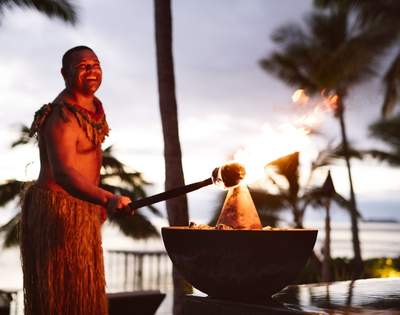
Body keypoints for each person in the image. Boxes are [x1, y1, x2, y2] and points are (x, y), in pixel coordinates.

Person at [20, 46, 132, 315]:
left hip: (83, 209)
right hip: (58, 213)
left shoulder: (92, 110)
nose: (91, 71)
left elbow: (88, 164)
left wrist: (96, 202)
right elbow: (64, 173)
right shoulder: (62, 116)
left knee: (85, 298)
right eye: (83, 67)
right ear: (64, 74)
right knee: (61, 299)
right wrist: (108, 198)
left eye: (95, 65)